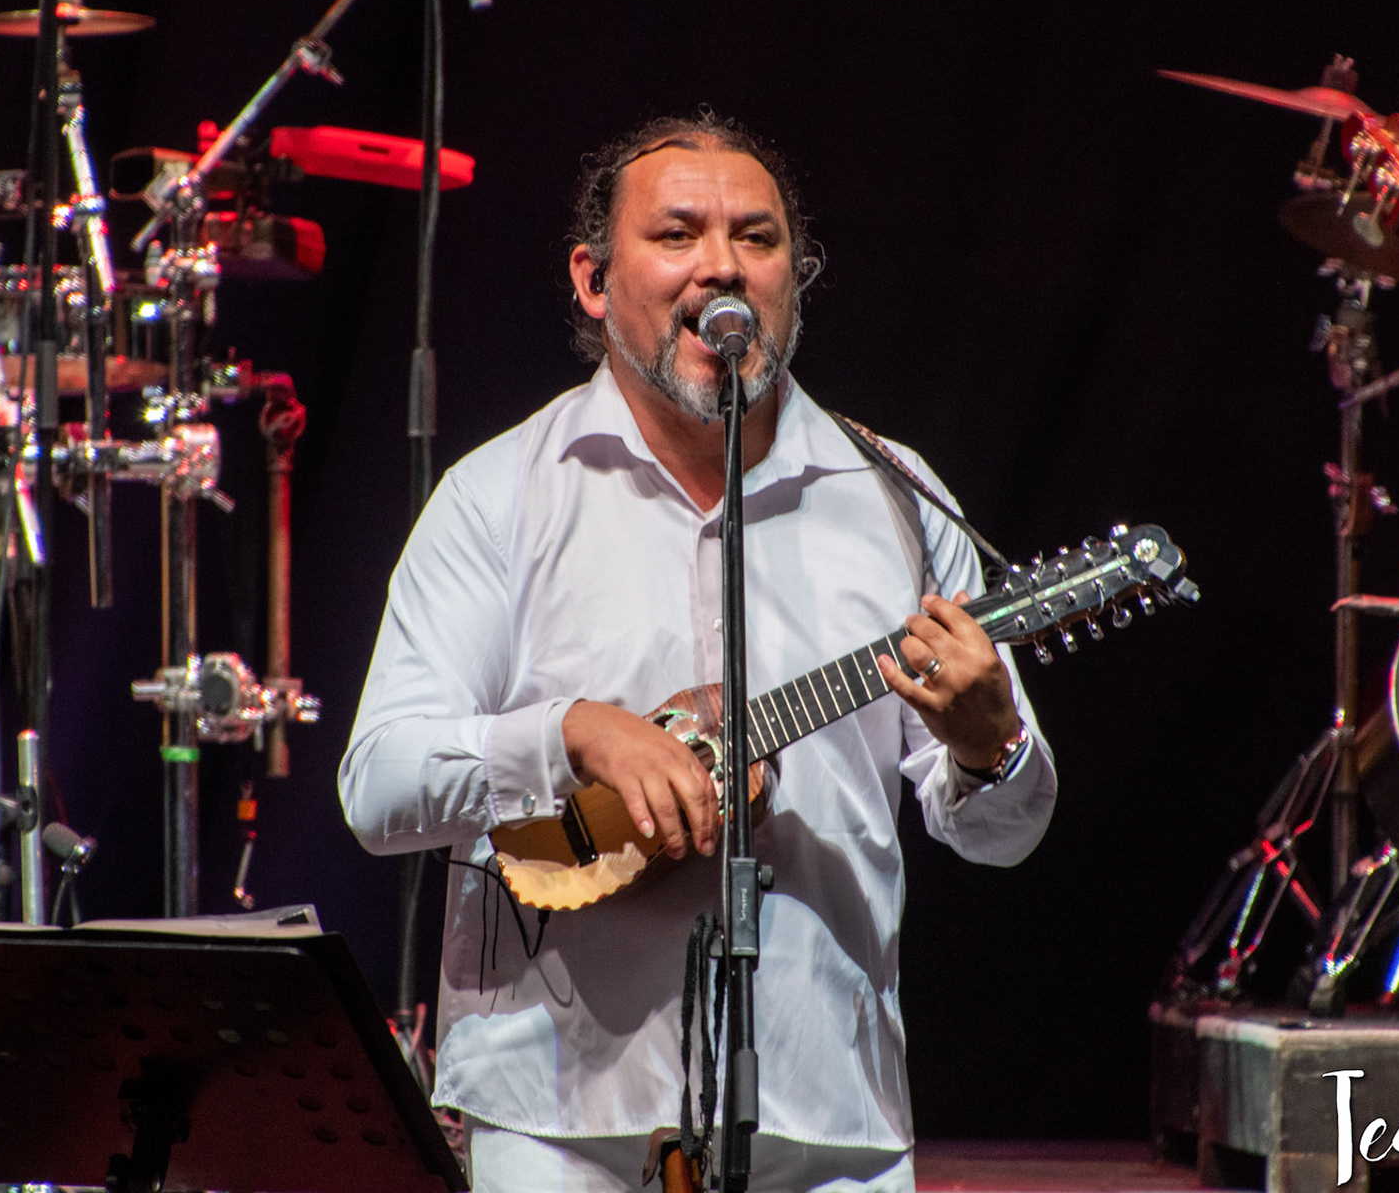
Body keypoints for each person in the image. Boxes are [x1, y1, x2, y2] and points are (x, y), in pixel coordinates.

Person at [340, 112, 1054, 1193]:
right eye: (676, 234)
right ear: (593, 279)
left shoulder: (897, 498)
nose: (721, 264)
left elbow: (1005, 835)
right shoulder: (499, 494)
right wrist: (570, 735)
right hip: (554, 1117)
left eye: (756, 238)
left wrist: (988, 747)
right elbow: (378, 785)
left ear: (794, 279)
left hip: (829, 1115)